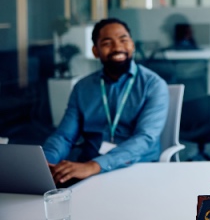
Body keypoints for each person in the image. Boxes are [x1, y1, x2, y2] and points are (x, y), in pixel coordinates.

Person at [43, 18, 169, 185]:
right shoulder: (83, 87)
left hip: (137, 167)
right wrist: (46, 160)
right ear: (96, 51)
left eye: (123, 40)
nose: (117, 48)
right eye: (107, 43)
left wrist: (95, 165)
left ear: (132, 45)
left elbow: (145, 138)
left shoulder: (153, 85)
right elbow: (65, 136)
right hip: (88, 170)